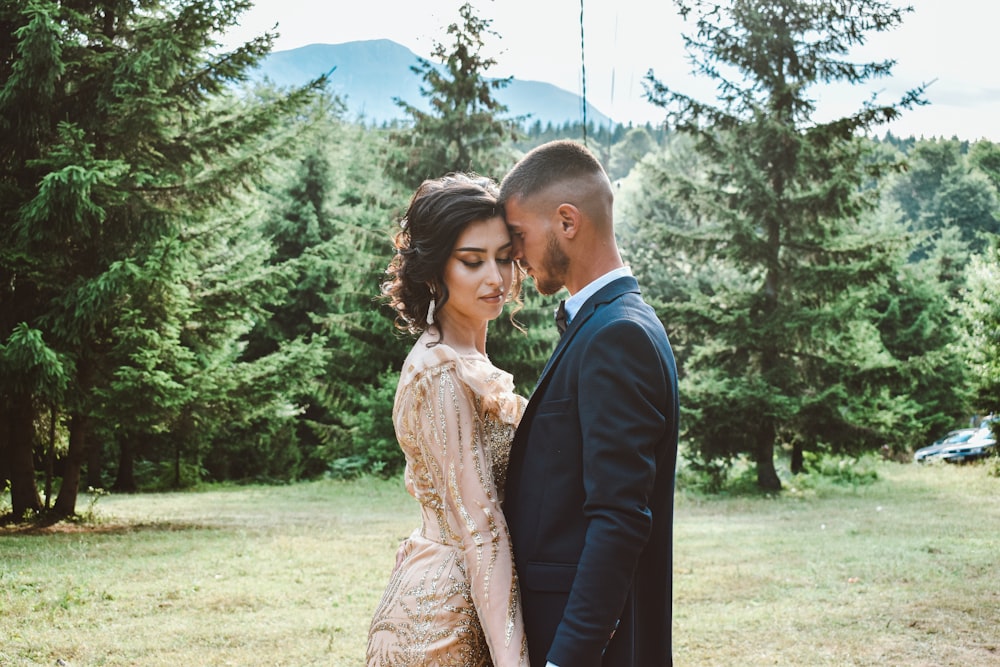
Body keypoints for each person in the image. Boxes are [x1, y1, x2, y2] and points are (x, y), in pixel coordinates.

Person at [499, 140, 680, 667]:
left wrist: (566, 659)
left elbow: (620, 520)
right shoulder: (608, 323)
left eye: (517, 237)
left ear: (567, 222)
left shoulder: (616, 335)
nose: (514, 257)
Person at [365, 173, 530, 667]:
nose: (496, 278)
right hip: (445, 624)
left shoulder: (464, 356)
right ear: (434, 271)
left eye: (504, 257)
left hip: (469, 596)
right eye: (472, 261)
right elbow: (482, 529)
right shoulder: (441, 373)